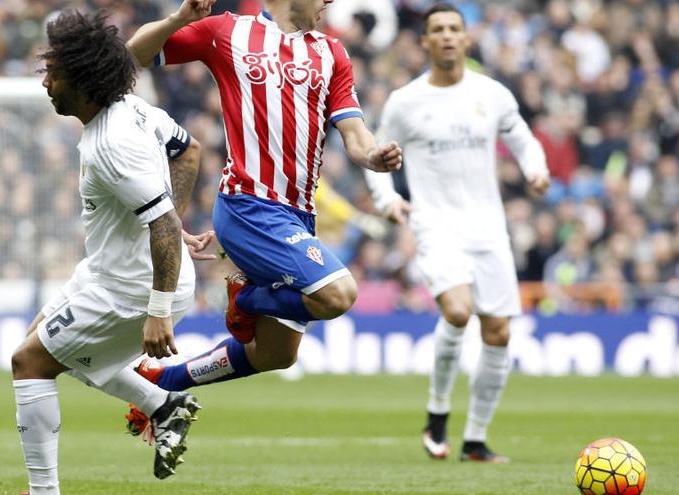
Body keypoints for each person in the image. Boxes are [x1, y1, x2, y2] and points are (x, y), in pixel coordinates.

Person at [121, 0, 402, 434]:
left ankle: (161, 382)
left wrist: (373, 155)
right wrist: (179, 19)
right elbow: (133, 55)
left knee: (276, 355)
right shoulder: (228, 32)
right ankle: (246, 298)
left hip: (297, 217)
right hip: (247, 204)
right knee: (339, 294)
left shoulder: (332, 53)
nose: (330, 2)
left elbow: (354, 132)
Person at [10, 10, 205, 493]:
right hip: (111, 271)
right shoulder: (133, 110)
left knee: (30, 363)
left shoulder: (110, 145)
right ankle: (163, 405)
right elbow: (190, 150)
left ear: (82, 79)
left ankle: (43, 491)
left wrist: (158, 310)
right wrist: (172, 218)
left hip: (134, 289)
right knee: (44, 340)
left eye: (52, 73)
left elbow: (160, 220)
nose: (46, 83)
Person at [364, 3, 550, 463]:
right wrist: (388, 200)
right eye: (438, 30)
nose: (447, 36)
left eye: (454, 29)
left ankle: (475, 440)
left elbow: (521, 135)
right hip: (435, 222)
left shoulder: (492, 93)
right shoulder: (406, 101)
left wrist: (536, 167)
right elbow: (375, 156)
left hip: (488, 226)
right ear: (425, 42)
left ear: (466, 39)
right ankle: (438, 413)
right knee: (458, 310)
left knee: (499, 333)